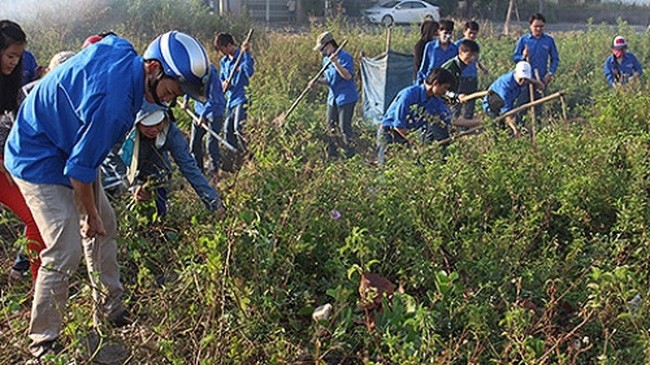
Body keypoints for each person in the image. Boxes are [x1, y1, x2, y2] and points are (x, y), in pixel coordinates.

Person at [4, 30, 211, 360]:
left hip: (69, 146)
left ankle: (111, 309)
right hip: (37, 155)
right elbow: (79, 171)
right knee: (65, 248)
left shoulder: (125, 53)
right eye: (171, 91)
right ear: (153, 68)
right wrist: (89, 214)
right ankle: (43, 343)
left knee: (106, 227)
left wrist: (96, 217)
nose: (170, 101)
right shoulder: (114, 107)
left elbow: (106, 41)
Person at [10, 50, 76, 280]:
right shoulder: (29, 96)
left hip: (43, 167)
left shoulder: (70, 99)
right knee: (36, 218)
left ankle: (32, 271)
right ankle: (25, 269)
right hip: (23, 165)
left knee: (39, 219)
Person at [0, 20, 46, 282]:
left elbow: (22, 123)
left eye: (18, 57)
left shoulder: (11, 86)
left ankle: (39, 282)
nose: (15, 63)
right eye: (10, 56)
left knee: (35, 217)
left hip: (7, 163)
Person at [123, 106, 225, 218]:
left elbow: (189, 168)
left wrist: (214, 202)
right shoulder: (123, 129)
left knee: (159, 207)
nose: (154, 129)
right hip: (129, 168)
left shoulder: (171, 132)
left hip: (156, 170)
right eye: (148, 125)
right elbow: (115, 161)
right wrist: (133, 185)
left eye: (158, 124)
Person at [377, 68, 481, 164]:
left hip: (407, 136)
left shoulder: (435, 101)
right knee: (387, 166)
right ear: (435, 83)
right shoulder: (409, 95)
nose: (445, 92)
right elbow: (399, 126)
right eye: (444, 88)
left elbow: (451, 120)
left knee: (412, 167)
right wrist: (417, 145)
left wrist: (480, 122)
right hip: (389, 133)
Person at [310, 31, 358, 159]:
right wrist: (317, 81)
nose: (321, 52)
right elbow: (330, 80)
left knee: (344, 128)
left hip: (346, 98)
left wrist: (336, 63)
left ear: (329, 45)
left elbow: (347, 76)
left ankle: (351, 157)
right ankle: (333, 155)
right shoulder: (325, 59)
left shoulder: (344, 57)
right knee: (331, 126)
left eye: (322, 49)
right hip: (333, 98)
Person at [214, 32, 254, 157]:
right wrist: (224, 84)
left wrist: (247, 53)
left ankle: (249, 155)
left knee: (239, 128)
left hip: (242, 98)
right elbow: (220, 79)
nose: (222, 52)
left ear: (229, 45)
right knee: (227, 130)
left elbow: (249, 72)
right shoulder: (224, 62)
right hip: (230, 100)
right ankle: (235, 157)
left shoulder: (242, 57)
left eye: (222, 49)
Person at [512, 13, 559, 117]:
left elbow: (555, 59)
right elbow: (515, 58)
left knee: (539, 109)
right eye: (536, 26)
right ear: (530, 26)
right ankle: (520, 129)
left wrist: (550, 73)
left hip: (541, 80)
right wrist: (523, 56)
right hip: (525, 80)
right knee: (521, 107)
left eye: (541, 26)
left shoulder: (549, 40)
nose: (538, 29)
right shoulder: (524, 40)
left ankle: (538, 130)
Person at [482, 61, 544, 136]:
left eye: (526, 79)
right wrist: (515, 129)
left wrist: (539, 84)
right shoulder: (505, 87)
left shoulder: (524, 80)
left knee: (518, 123)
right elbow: (507, 112)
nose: (523, 81)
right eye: (521, 79)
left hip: (509, 104)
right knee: (499, 129)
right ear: (516, 74)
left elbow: (530, 81)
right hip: (493, 105)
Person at [187, 62, 226, 180]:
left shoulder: (211, 74)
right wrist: (186, 100)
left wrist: (203, 115)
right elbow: (189, 87)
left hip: (215, 111)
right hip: (199, 111)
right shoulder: (192, 72)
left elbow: (213, 100)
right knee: (194, 142)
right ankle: (198, 171)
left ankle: (215, 172)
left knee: (211, 144)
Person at [455, 21, 489, 119]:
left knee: (470, 106)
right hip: (460, 78)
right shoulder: (457, 45)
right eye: (470, 33)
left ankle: (465, 129)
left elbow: (475, 61)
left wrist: (482, 68)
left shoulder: (475, 45)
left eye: (474, 33)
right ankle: (453, 128)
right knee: (456, 105)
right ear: (464, 32)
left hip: (472, 78)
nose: (472, 35)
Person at [417, 20, 457, 85]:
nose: (448, 36)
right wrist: (420, 83)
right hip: (430, 82)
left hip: (446, 84)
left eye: (450, 33)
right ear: (439, 32)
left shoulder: (454, 49)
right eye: (445, 33)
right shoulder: (430, 46)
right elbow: (424, 67)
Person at [440, 39, 480, 103]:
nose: (472, 58)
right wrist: (456, 96)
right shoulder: (450, 67)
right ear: (460, 52)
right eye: (469, 55)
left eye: (474, 56)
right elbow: (440, 89)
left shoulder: (460, 67)